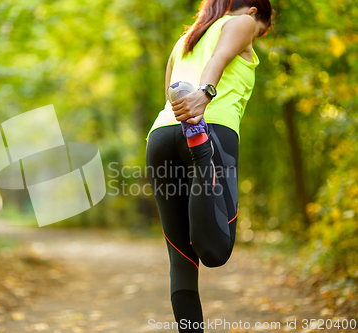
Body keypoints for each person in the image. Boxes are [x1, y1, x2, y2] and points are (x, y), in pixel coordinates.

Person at [145, 0, 273, 331]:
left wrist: (190, 107)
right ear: (255, 12)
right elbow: (218, 59)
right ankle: (199, 143)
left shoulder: (184, 41)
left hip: (161, 137)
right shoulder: (242, 21)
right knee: (215, 251)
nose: (254, 39)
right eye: (261, 33)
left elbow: (168, 98)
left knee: (182, 259)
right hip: (210, 130)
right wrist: (205, 94)